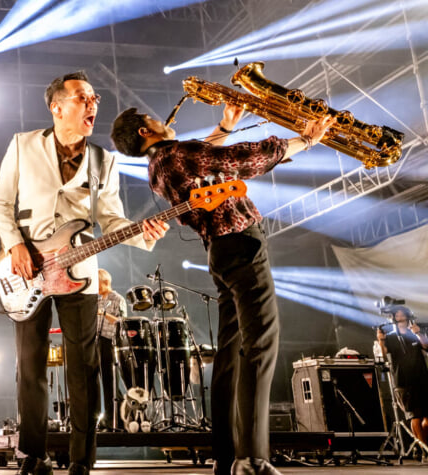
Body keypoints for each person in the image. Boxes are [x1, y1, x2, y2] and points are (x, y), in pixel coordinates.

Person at [110, 103, 335, 475]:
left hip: (220, 251)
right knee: (260, 344)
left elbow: (202, 158)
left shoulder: (158, 169)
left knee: (230, 357)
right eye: (153, 119)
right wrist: (307, 140)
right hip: (242, 244)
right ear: (143, 131)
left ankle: (227, 456)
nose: (163, 119)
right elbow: (241, 159)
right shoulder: (178, 154)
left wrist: (226, 125)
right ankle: (252, 458)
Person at [0, 71, 167, 475]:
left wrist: (143, 233)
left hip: (81, 271)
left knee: (84, 367)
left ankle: (81, 460)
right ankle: (31, 454)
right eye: (82, 97)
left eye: (94, 98)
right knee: (30, 365)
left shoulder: (104, 160)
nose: (92, 104)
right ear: (57, 107)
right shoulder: (22, 144)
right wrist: (15, 244)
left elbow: (112, 218)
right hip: (27, 266)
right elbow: (0, 203)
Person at [376, 306, 428, 451]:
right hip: (403, 382)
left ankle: (422, 445)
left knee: (426, 418)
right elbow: (383, 356)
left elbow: (426, 346)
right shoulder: (390, 337)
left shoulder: (415, 333)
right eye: (397, 315)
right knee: (415, 416)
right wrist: (381, 341)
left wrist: (418, 333)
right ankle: (424, 450)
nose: (400, 318)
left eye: (402, 315)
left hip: (422, 378)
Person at [96, 268, 126, 431]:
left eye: (97, 283)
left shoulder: (117, 299)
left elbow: (122, 323)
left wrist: (104, 314)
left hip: (110, 342)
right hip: (96, 341)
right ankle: (106, 417)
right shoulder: (97, 300)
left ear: (105, 282)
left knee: (110, 382)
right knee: (99, 381)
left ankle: (116, 418)